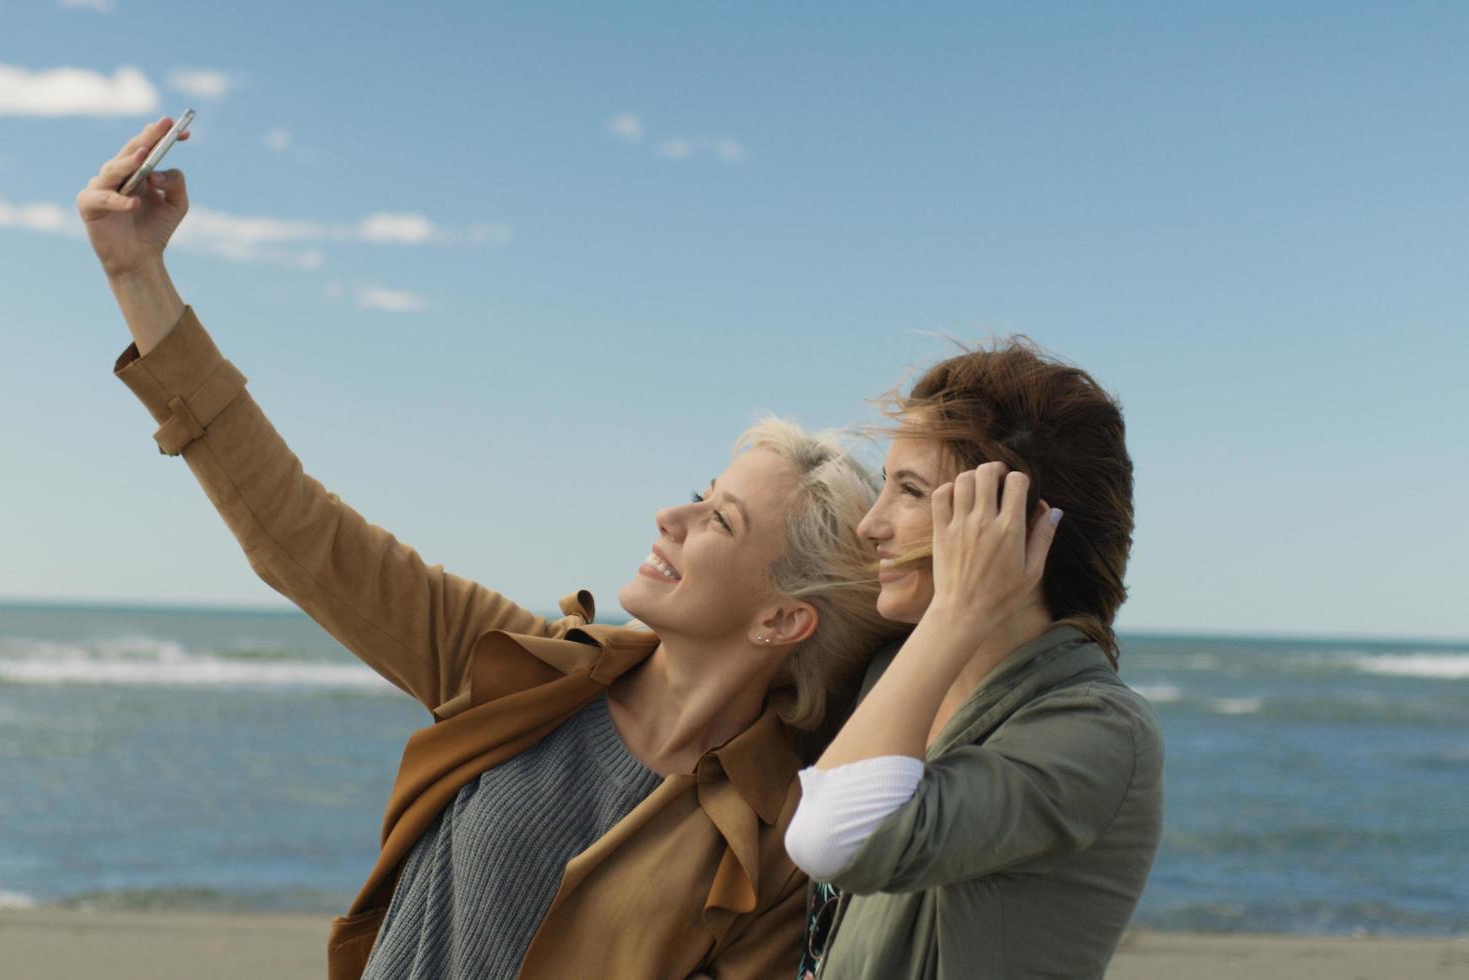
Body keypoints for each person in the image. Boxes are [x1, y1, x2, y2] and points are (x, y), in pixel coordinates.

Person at [76, 116, 902, 980]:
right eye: (702, 495)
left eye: (720, 520)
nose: (671, 517)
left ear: (781, 621)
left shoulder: (776, 850)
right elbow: (297, 533)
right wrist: (137, 273)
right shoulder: (521, 667)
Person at [783, 340, 1164, 978]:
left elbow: (832, 840)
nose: (869, 526)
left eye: (908, 492)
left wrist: (959, 610)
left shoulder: (1096, 730)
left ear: (1009, 526)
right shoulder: (897, 668)